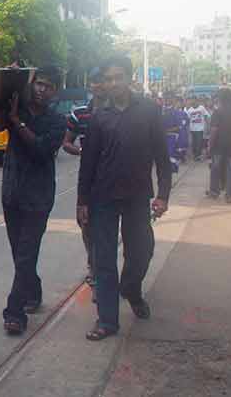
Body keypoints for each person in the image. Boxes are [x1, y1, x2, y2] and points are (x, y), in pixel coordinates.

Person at [77, 57, 171, 341]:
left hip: (137, 196)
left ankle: (131, 289)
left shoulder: (150, 110)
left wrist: (163, 195)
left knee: (141, 251)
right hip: (102, 197)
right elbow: (88, 162)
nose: (114, 83)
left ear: (130, 78)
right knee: (103, 258)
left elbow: (162, 158)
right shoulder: (99, 116)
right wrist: (82, 201)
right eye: (109, 78)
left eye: (119, 77)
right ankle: (107, 320)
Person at [0, 66, 66, 335]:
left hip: (39, 196)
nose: (42, 89)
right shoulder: (16, 108)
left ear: (55, 92)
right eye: (38, 84)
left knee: (25, 254)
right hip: (12, 193)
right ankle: (33, 291)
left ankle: (14, 312)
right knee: (19, 253)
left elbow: (42, 149)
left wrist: (17, 122)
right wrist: (6, 88)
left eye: (48, 86)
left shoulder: (58, 120)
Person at [62, 67, 108, 287]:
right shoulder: (80, 114)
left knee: (108, 227)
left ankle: (104, 269)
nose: (98, 86)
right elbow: (67, 143)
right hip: (88, 179)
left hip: (114, 178)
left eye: (102, 81)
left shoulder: (118, 112)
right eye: (95, 82)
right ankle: (94, 264)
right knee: (86, 224)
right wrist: (83, 152)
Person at [207, 88, 231, 203]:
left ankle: (214, 192)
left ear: (221, 99)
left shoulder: (217, 112)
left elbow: (214, 130)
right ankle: (229, 196)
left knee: (215, 168)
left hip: (218, 146)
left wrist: (209, 145)